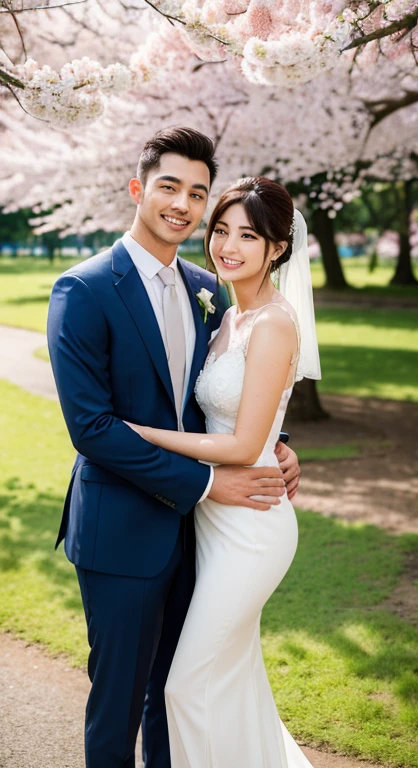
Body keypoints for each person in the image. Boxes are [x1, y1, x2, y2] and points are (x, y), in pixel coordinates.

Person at [47, 128, 301, 768]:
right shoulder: (83, 290)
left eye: (197, 192)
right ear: (138, 189)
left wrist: (280, 443)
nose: (182, 205)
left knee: (177, 694)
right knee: (119, 703)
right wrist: (211, 484)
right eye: (169, 187)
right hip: (122, 531)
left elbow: (228, 387)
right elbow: (92, 429)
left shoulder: (206, 288)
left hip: (198, 537)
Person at [125, 176, 321, 768]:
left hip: (252, 522)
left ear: (277, 248)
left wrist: (136, 433)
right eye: (222, 230)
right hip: (210, 518)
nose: (227, 246)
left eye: (248, 236)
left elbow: (240, 444)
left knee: (188, 684)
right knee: (233, 679)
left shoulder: (275, 324)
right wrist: (281, 443)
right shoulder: (226, 312)